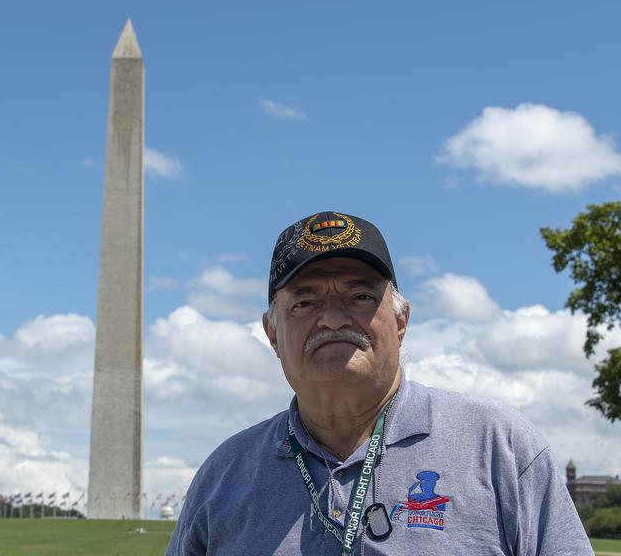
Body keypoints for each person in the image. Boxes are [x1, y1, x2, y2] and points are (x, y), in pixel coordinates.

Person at [166, 211, 593, 555]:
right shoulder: (225, 473)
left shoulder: (499, 444)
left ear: (401, 322)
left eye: (361, 297)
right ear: (273, 334)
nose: (333, 318)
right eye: (306, 302)